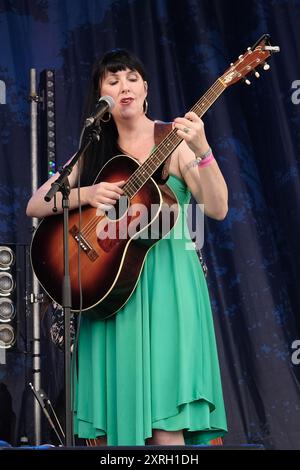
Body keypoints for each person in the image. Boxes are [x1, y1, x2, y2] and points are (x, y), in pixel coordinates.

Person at [26, 48, 228, 446]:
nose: (124, 87)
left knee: (167, 420)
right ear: (101, 93)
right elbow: (36, 203)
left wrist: (203, 149)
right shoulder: (95, 147)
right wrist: (89, 192)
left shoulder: (172, 141)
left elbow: (218, 208)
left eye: (131, 78)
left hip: (169, 286)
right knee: (115, 433)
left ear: (146, 87)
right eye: (113, 80)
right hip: (111, 290)